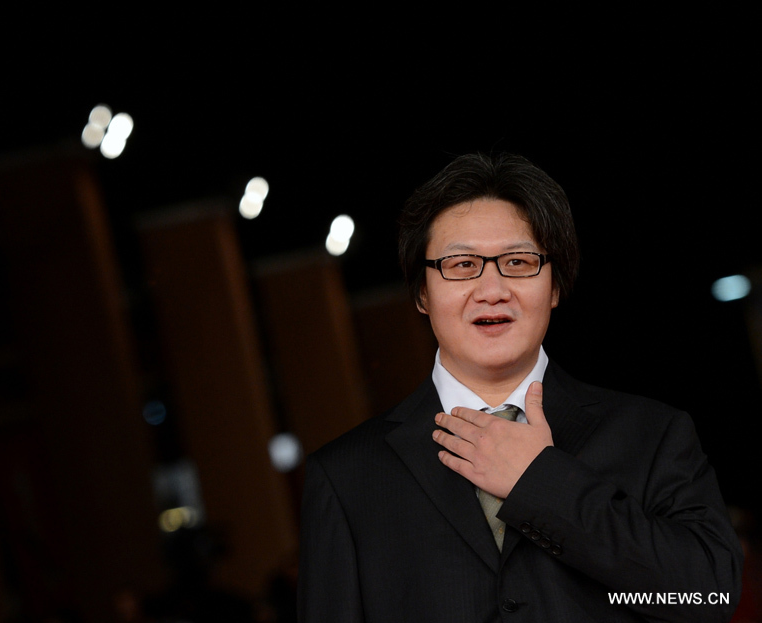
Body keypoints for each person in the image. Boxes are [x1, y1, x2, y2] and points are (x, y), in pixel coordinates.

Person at [297, 152, 743, 622]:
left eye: (518, 261)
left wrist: (544, 485)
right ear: (421, 293)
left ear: (554, 285)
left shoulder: (652, 435)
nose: (492, 289)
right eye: (462, 264)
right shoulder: (346, 476)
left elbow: (707, 598)